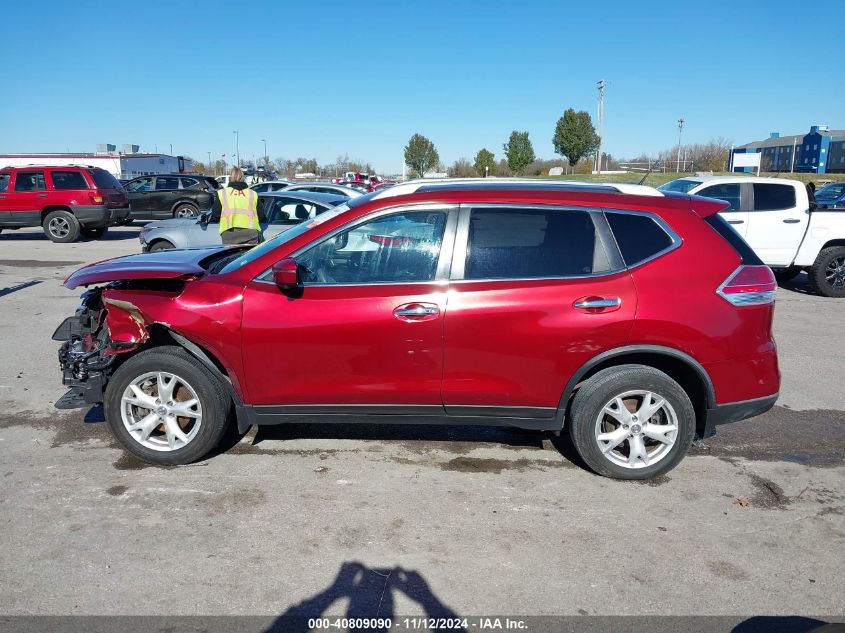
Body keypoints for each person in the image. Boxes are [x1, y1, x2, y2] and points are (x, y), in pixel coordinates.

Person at [211, 167, 262, 245]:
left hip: (229, 232)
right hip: (250, 232)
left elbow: (215, 214)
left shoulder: (222, 193)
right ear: (243, 177)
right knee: (250, 256)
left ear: (231, 177)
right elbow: (261, 215)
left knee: (232, 257)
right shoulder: (253, 193)